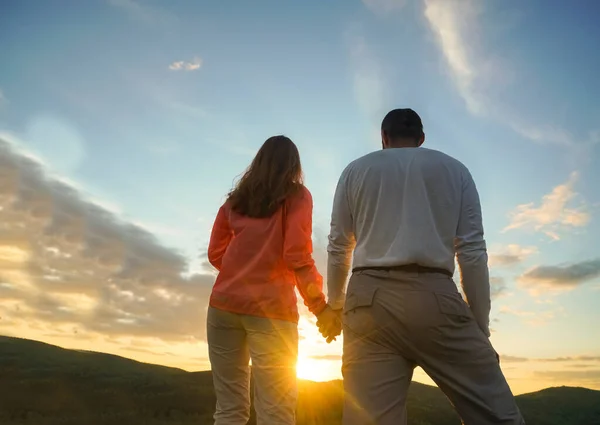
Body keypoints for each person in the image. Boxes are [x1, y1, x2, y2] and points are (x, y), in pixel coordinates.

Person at [320, 109, 525, 425]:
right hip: (434, 296)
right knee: (497, 416)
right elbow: (471, 252)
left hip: (367, 302)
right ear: (421, 139)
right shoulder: (455, 170)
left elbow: (338, 245)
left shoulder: (356, 170)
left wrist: (335, 305)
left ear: (384, 139)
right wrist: (480, 327)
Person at [206, 135, 339, 425]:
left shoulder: (235, 201)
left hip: (223, 308)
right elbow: (297, 256)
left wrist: (240, 270)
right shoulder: (298, 197)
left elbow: (216, 253)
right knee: (275, 414)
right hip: (272, 312)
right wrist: (320, 308)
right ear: (293, 166)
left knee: (229, 409)